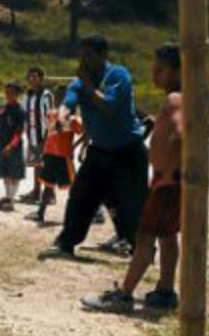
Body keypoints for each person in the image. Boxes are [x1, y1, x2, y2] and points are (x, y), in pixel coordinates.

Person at [83, 45, 185, 312]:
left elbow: (186, 134)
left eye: (160, 69)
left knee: (144, 237)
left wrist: (169, 168)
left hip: (166, 182)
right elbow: (205, 129)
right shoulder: (182, 98)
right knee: (166, 237)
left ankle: (124, 295)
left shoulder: (175, 99)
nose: (154, 73)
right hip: (171, 180)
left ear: (177, 71)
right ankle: (165, 291)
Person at [40, 35, 148, 261]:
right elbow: (67, 104)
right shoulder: (79, 83)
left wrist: (88, 85)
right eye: (81, 54)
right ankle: (65, 243)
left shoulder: (118, 75)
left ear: (102, 55)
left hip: (127, 151)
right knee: (80, 196)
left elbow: (108, 106)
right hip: (99, 151)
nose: (83, 59)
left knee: (131, 204)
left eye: (88, 54)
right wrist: (61, 119)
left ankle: (142, 250)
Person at [29, 86, 81, 225]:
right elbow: (49, 133)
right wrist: (42, 150)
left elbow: (84, 132)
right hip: (50, 154)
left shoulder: (73, 117)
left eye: (62, 96)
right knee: (47, 185)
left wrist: (76, 147)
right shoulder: (51, 113)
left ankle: (76, 215)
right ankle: (40, 213)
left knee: (73, 186)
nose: (59, 98)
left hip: (64, 156)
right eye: (57, 95)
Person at [0, 81, 27, 211]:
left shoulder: (20, 111)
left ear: (17, 94)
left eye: (11, 92)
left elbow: (19, 132)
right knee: (5, 173)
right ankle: (8, 197)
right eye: (6, 92)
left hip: (14, 146)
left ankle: (11, 200)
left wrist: (11, 146)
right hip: (2, 144)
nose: (8, 95)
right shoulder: (1, 108)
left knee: (14, 174)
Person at [19, 67, 54, 204]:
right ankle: (36, 191)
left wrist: (47, 139)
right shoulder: (26, 97)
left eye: (35, 77)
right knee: (36, 164)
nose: (32, 79)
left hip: (46, 136)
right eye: (30, 77)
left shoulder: (46, 96)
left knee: (47, 166)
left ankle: (50, 194)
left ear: (41, 79)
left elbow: (51, 117)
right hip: (32, 136)